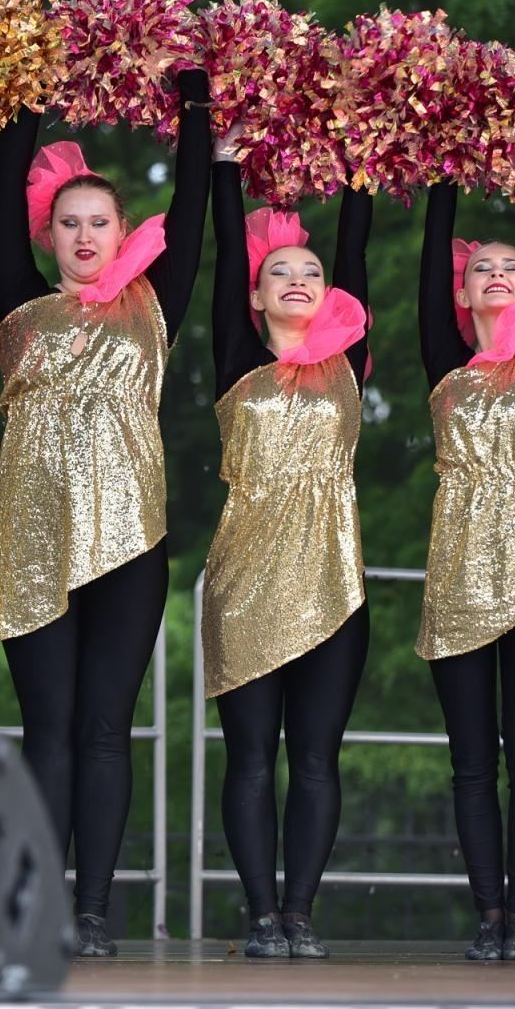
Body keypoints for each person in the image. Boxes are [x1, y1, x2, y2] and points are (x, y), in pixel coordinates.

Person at [0, 68, 209, 955]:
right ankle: (37, 905)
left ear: (121, 233)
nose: (84, 236)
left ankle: (93, 911)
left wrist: (195, 111)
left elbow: (191, 213)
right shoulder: (18, 307)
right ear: (51, 235)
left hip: (129, 540)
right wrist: (23, 100)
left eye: (99, 222)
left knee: (105, 727)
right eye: (68, 223)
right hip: (33, 541)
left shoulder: (154, 305)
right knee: (47, 728)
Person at [203, 131, 371, 959]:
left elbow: (356, 243)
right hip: (243, 580)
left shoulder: (351, 361)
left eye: (312, 272)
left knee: (314, 759)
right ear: (257, 297)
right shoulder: (237, 357)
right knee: (250, 760)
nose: (299, 280)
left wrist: (364, 156)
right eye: (281, 273)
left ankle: (300, 912)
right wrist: (227, 163)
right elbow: (226, 251)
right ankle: (259, 910)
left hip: (334, 584)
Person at [415, 184, 515, 961]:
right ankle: (488, 918)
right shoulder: (445, 360)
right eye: (483, 266)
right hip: (456, 576)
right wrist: (444, 165)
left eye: (513, 265)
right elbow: (430, 247)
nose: (500, 274)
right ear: (463, 288)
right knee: (471, 758)